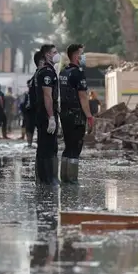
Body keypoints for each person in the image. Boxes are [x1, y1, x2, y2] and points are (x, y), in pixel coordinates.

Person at [58, 43, 92, 184]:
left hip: (64, 113)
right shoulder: (78, 73)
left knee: (68, 146)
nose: (83, 56)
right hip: (77, 114)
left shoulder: (63, 72)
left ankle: (64, 177)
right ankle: (72, 178)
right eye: (82, 54)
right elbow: (83, 96)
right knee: (75, 147)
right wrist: (89, 116)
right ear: (76, 56)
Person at [34, 43, 61, 185]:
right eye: (54, 52)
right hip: (46, 114)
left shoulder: (42, 71)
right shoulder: (47, 73)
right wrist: (51, 117)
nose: (57, 54)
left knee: (44, 146)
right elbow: (47, 96)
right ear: (47, 54)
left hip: (41, 113)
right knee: (49, 146)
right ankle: (49, 178)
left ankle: (43, 178)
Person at [22, 51, 43, 148]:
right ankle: (31, 143)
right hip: (35, 107)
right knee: (33, 127)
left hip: (32, 107)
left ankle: (30, 143)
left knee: (31, 127)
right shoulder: (39, 75)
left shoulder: (36, 75)